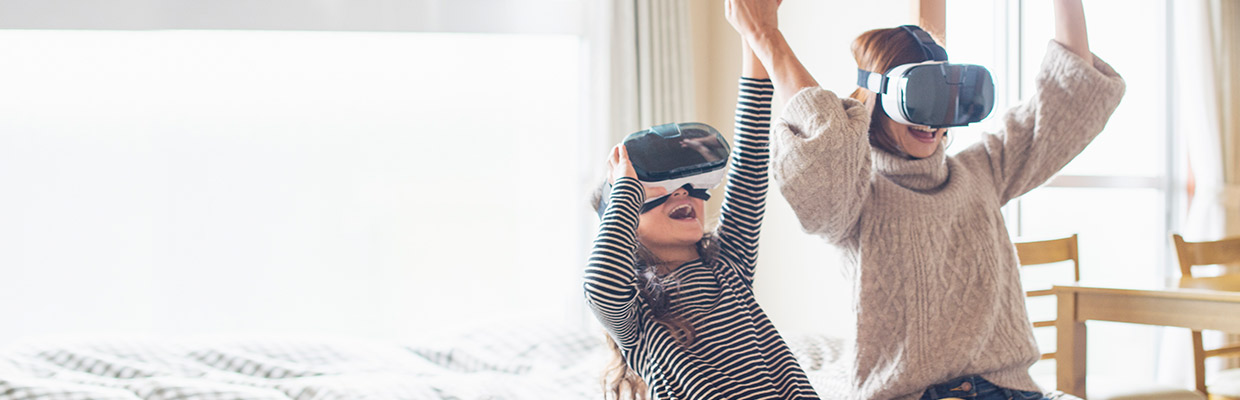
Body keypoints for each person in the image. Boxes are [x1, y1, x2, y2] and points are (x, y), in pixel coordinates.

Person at [724, 0, 1125, 399]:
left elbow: (1070, 95)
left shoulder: (983, 168)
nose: (934, 120)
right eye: (920, 96)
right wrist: (765, 36)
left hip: (1010, 391)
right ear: (878, 96)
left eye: (946, 97)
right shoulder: (855, 193)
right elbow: (823, 140)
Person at [583, 41, 820, 399]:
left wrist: (753, 34)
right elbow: (601, 285)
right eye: (657, 190)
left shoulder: (728, 264)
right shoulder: (637, 316)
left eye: (689, 184)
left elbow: (749, 165)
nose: (681, 193)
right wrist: (627, 189)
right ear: (624, 221)